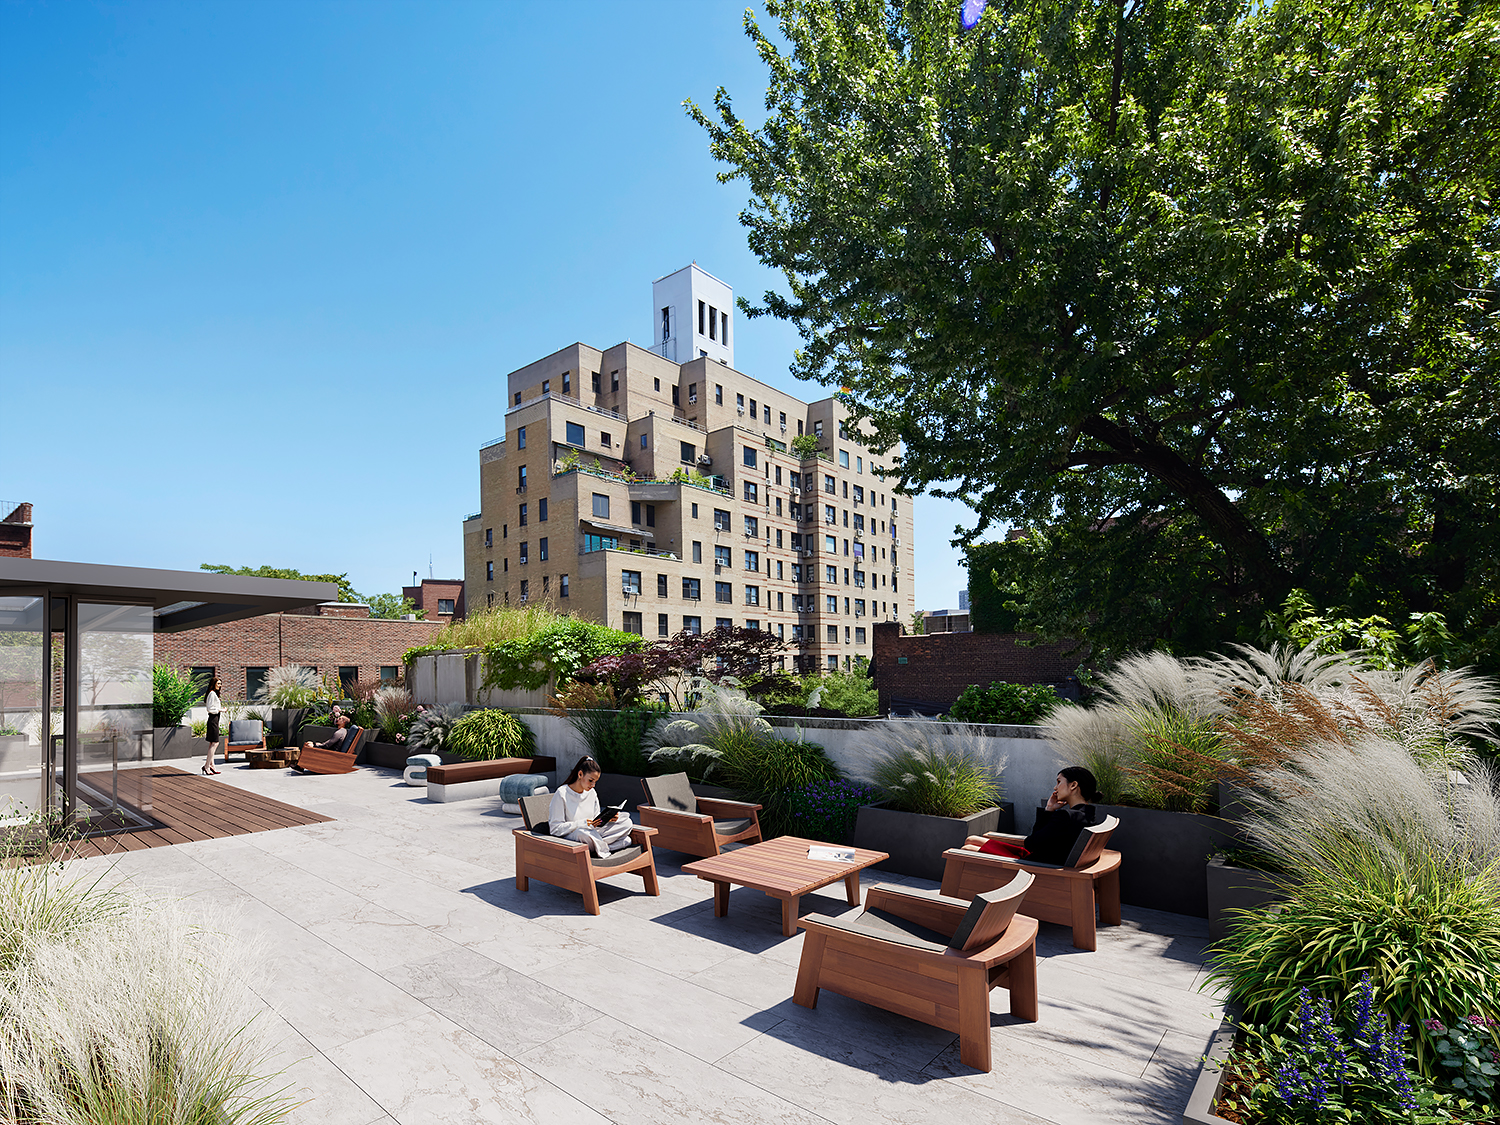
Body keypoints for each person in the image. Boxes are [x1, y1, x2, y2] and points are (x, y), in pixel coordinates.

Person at [964, 766, 1100, 865]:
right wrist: (1050, 809)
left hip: (1035, 866)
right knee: (971, 839)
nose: (1055, 787)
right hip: (1043, 859)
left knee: (967, 848)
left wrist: (1048, 811)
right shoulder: (1088, 815)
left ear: (1073, 785)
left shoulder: (1065, 816)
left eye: (1059, 782)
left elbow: (1031, 843)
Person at [548, 755, 634, 858]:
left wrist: (608, 819)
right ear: (580, 774)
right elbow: (555, 829)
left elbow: (596, 820)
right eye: (590, 780)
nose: (593, 785)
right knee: (582, 833)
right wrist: (582, 823)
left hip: (592, 833)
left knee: (627, 822)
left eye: (595, 782)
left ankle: (597, 847)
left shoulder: (592, 792)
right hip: (575, 835)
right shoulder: (562, 793)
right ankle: (606, 847)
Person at [202, 676, 223, 775]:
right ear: (213, 684)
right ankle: (207, 766)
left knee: (212, 743)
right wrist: (221, 710)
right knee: (215, 743)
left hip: (215, 719)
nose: (220, 685)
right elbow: (209, 709)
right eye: (218, 683)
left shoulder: (214, 694)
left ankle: (211, 765)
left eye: (220, 683)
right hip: (213, 719)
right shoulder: (212, 693)